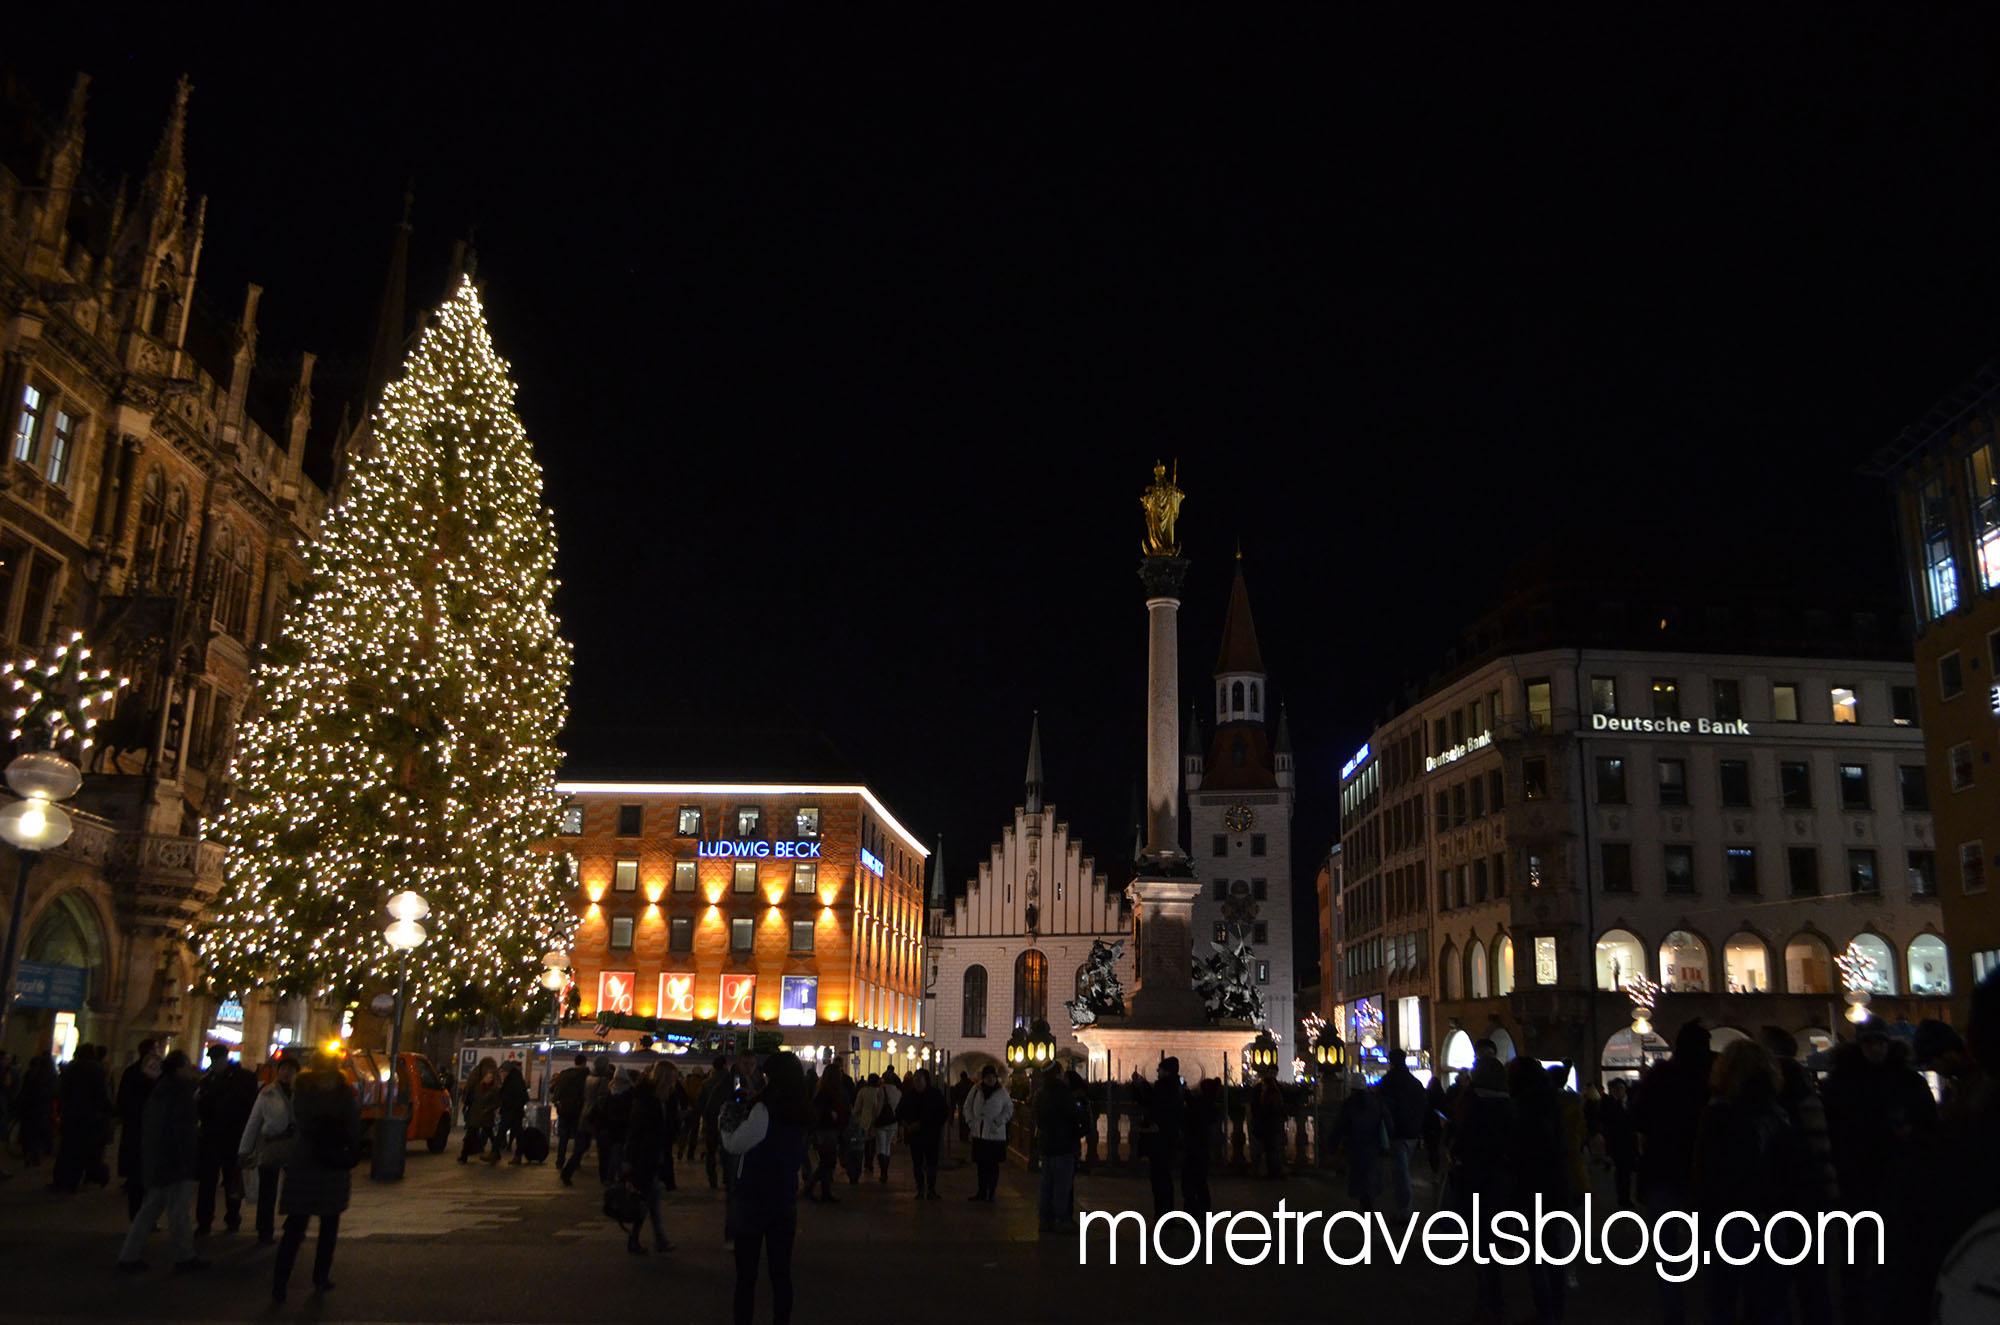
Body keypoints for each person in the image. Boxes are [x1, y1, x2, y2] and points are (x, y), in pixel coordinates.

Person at [1693, 1040, 1805, 1325]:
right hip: (1770, 1214)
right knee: (1769, 1300)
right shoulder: (1778, 1115)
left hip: (1727, 1216)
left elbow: (1706, 1173)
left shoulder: (1717, 1113)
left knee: (1723, 1300)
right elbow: (1792, 1170)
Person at [1628, 1019, 1713, 1325]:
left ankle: (1674, 1312)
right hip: (1709, 1170)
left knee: (1668, 1251)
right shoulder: (1716, 1075)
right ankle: (1716, 1307)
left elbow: (1637, 1117)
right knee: (1715, 1248)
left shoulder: (1662, 1075)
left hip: (1664, 1167)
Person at [723, 1052, 810, 1325]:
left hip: (753, 1198)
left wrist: (726, 1121)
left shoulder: (765, 1110)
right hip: (784, 1198)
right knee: (781, 1274)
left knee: (746, 1276)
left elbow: (736, 1144)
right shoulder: (802, 1110)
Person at [272, 1054, 360, 1302]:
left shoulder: (301, 1090)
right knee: (329, 1226)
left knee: (295, 1228)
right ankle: (320, 1277)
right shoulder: (343, 1093)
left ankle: (280, 1284)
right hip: (332, 1164)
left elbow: (299, 1121)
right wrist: (351, 1152)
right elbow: (353, 1127)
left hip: (305, 1162)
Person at [115, 1050, 204, 1273]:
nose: (191, 1067)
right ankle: (184, 1256)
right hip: (174, 1161)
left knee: (150, 1209)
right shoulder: (179, 1093)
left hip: (159, 1160)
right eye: (187, 1064)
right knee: (178, 1212)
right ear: (179, 1068)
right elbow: (179, 1130)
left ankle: (129, 1255)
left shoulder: (161, 1090)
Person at [1449, 1055, 1515, 1325]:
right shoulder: (1509, 1104)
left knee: (1482, 1241)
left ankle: (1487, 1300)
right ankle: (1495, 1299)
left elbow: (1461, 1139)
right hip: (1501, 1177)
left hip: (1474, 1177)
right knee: (1494, 1236)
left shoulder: (1472, 1102)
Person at [1510, 1057, 1572, 1324]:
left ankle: (1546, 1311)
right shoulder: (1552, 1101)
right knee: (1553, 1249)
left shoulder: (1523, 1107)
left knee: (1536, 1253)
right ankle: (1555, 1309)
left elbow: (1523, 1150)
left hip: (1532, 1185)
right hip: (1556, 1184)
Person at [194, 1045, 258, 1235]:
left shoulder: (241, 1078)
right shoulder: (207, 1079)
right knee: (208, 1182)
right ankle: (204, 1221)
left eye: (217, 1060)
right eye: (213, 1061)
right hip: (211, 1138)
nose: (215, 1064)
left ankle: (232, 1218)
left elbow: (247, 1105)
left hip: (232, 1137)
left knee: (231, 1181)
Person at [238, 1054, 300, 1244]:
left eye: (290, 1070)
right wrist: (244, 1149)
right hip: (272, 1144)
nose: (286, 1073)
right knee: (267, 1190)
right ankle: (264, 1230)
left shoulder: (303, 1092)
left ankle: (293, 1224)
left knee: (296, 1187)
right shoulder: (267, 1093)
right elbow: (254, 1121)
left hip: (294, 1145)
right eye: (283, 1069)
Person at [620, 1065, 674, 1254]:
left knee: (650, 1200)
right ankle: (645, 1239)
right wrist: (629, 1159)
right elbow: (636, 1132)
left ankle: (654, 1239)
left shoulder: (655, 1098)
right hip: (644, 1158)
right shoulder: (649, 1100)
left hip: (650, 1156)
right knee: (646, 1201)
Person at [51, 1042, 112, 1193]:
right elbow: (101, 1094)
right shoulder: (96, 1069)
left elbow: (63, 1090)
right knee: (81, 1149)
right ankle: (74, 1181)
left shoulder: (73, 1067)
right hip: (88, 1116)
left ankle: (61, 1180)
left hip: (71, 1114)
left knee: (67, 1148)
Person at [113, 1039, 161, 1214]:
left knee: (137, 1168)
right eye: (156, 1048)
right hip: (147, 1128)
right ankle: (143, 1215)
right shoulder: (154, 1074)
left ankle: (137, 1211)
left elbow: (123, 1099)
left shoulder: (131, 1072)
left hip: (134, 1126)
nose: (158, 1052)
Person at [1378, 1057, 1427, 1216]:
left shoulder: (1388, 1081)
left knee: (1401, 1171)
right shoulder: (1415, 1082)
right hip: (1413, 1131)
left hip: (1398, 1131)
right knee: (1404, 1169)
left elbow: (1382, 1105)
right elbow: (1423, 1104)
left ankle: (1404, 1210)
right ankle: (1404, 1206)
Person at [1033, 1064, 1078, 1231]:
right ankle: (1061, 1219)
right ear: (1058, 1074)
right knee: (1062, 1185)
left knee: (1046, 1184)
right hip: (1063, 1144)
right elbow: (1073, 1117)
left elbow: (1037, 1117)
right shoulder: (1064, 1093)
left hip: (1046, 1144)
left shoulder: (1040, 1094)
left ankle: (1045, 1219)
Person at [561, 1057, 616, 1186]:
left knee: (580, 1148)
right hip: (597, 1117)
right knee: (603, 1149)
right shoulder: (603, 1080)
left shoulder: (589, 1078)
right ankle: (605, 1178)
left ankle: (567, 1172)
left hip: (585, 1114)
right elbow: (602, 1099)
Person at [895, 1066, 948, 1198]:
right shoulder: (909, 1096)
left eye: (919, 1080)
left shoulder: (935, 1095)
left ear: (926, 1080)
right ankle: (920, 1188)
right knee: (917, 1163)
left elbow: (943, 1113)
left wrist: (926, 1124)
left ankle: (931, 1189)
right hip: (915, 1137)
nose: (917, 1083)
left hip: (931, 1135)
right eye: (915, 1080)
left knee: (931, 1163)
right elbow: (899, 1112)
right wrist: (906, 1124)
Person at [965, 1062, 1014, 1201]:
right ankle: (981, 1191)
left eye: (992, 1077)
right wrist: (971, 1122)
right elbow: (967, 1106)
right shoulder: (976, 1089)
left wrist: (999, 1121)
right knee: (981, 1165)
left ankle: (991, 1192)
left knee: (993, 1166)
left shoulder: (1002, 1092)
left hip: (995, 1135)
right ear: (983, 1078)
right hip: (979, 1133)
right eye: (987, 1077)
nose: (990, 1079)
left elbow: (1009, 1109)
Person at [1334, 1076, 1385, 1210]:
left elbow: (1340, 1125)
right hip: (1373, 1145)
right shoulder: (1376, 1102)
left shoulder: (1349, 1104)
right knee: (1370, 1176)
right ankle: (1369, 1204)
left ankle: (1366, 1207)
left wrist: (1333, 1143)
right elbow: (1386, 1122)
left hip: (1355, 1146)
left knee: (1359, 1177)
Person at [1143, 1057, 1183, 1214]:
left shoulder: (1164, 1087)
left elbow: (1152, 1103)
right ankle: (1167, 1213)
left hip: (1160, 1137)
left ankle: (1163, 1213)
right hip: (1169, 1137)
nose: (1157, 1072)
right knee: (1165, 1177)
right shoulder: (1176, 1087)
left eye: (1159, 1069)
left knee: (1159, 1177)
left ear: (1166, 1071)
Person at [806, 1067, 849, 1203]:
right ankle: (811, 1188)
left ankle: (824, 1192)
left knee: (827, 1162)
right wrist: (832, 1114)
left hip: (827, 1130)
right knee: (827, 1162)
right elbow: (820, 1110)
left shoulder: (823, 1090)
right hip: (826, 1130)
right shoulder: (826, 1092)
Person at [1182, 1078, 1220, 1219]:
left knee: (1191, 1183)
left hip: (1195, 1147)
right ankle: (1201, 1213)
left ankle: (1194, 1214)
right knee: (1200, 1183)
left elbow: (1193, 1110)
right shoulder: (1209, 1105)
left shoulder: (1201, 1105)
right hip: (1202, 1148)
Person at [1598, 1078, 1636, 1207]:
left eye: (1620, 1088)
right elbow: (1607, 1125)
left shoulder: (1631, 1103)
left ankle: (1625, 1198)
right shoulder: (1609, 1105)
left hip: (1629, 1143)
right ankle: (1623, 1199)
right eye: (1615, 1089)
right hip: (1618, 1143)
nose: (1618, 1091)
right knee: (1622, 1172)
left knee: (1626, 1172)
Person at [550, 1053, 590, 1171]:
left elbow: (557, 1092)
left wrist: (558, 1103)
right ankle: (575, 1162)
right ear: (584, 1062)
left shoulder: (565, 1074)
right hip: (578, 1111)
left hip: (564, 1110)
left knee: (563, 1138)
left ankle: (559, 1161)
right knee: (579, 1138)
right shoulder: (586, 1075)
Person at [458, 1058, 500, 1164]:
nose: (489, 1078)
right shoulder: (478, 1086)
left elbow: (496, 1102)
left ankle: (496, 1153)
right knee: (471, 1134)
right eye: (488, 1076)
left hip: (485, 1114)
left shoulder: (493, 1088)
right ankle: (464, 1156)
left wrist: (489, 1109)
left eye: (491, 1077)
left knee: (488, 1133)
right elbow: (469, 1096)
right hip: (476, 1113)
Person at [17, 1052, 56, 1168]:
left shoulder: (32, 1073)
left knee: (29, 1132)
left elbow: (25, 1090)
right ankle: (35, 1155)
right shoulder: (52, 1076)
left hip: (30, 1107)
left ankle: (28, 1154)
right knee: (38, 1132)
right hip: (43, 1108)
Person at [1250, 1074, 1288, 1178]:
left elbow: (1267, 1111)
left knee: (1269, 1150)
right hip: (1272, 1127)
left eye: (1263, 1085)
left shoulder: (1269, 1097)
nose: (1262, 1087)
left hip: (1269, 1126)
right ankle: (1273, 1171)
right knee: (1272, 1150)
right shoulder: (1275, 1096)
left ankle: (1271, 1172)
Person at [497, 1061, 529, 1163]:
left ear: (507, 1071)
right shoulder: (515, 1079)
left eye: (502, 1071)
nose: (501, 1074)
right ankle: (517, 1155)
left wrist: (511, 1105)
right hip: (513, 1111)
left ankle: (495, 1153)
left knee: (503, 1131)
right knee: (517, 1133)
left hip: (511, 1111)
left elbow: (519, 1097)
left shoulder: (513, 1081)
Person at [949, 1069, 974, 1144]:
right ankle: (965, 1135)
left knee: (962, 1122)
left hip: (962, 1105)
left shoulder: (959, 1085)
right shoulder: (971, 1085)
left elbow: (954, 1097)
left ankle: (963, 1136)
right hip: (969, 1106)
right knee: (967, 1121)